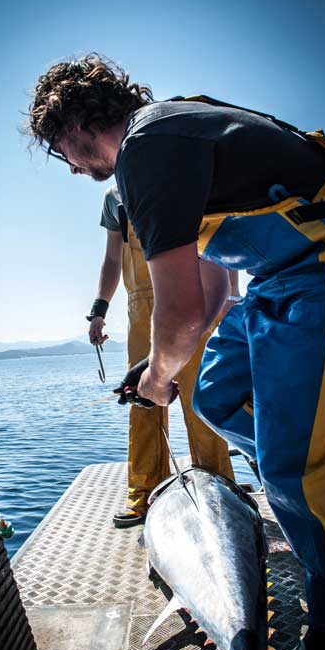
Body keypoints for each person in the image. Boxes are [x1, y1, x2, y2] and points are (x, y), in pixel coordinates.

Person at [26, 54, 325, 650]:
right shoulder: (168, 134)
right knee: (216, 394)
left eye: (59, 153)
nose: (71, 168)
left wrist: (159, 380)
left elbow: (182, 311)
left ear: (73, 127)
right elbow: (213, 292)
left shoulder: (147, 147)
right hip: (283, 279)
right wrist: (163, 367)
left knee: (296, 464)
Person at [87, 185, 236, 527]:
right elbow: (112, 258)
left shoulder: (183, 174)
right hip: (141, 309)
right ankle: (144, 495)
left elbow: (218, 239)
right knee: (141, 401)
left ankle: (220, 491)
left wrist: (232, 296)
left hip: (194, 301)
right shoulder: (114, 197)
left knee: (202, 400)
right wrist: (99, 308)